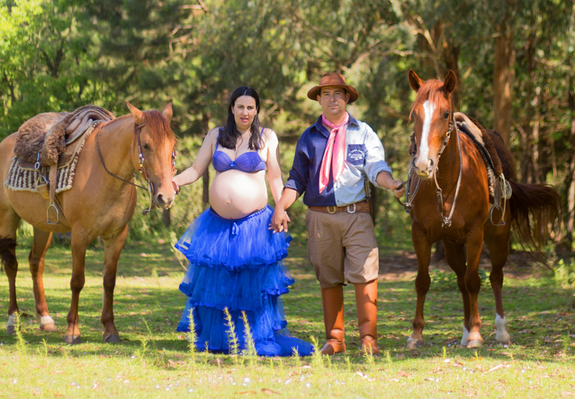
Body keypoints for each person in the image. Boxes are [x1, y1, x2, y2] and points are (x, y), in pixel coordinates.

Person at [171, 86, 314, 356]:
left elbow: (274, 177)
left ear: (256, 110)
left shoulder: (266, 137)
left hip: (255, 225)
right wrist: (174, 182)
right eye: (240, 106)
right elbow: (195, 169)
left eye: (250, 107)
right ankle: (220, 340)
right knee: (218, 283)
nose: (245, 112)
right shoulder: (216, 135)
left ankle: (251, 338)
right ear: (232, 109)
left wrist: (281, 207)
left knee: (251, 284)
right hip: (216, 225)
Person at [270, 72, 405, 355]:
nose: (332, 98)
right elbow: (296, 179)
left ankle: (369, 339)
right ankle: (335, 339)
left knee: (365, 272)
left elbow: (376, 166)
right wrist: (280, 207)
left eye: (338, 93)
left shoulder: (363, 132)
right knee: (328, 275)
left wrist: (391, 183)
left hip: (356, 214)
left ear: (346, 98)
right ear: (319, 99)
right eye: (326, 93)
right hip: (320, 217)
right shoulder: (308, 138)